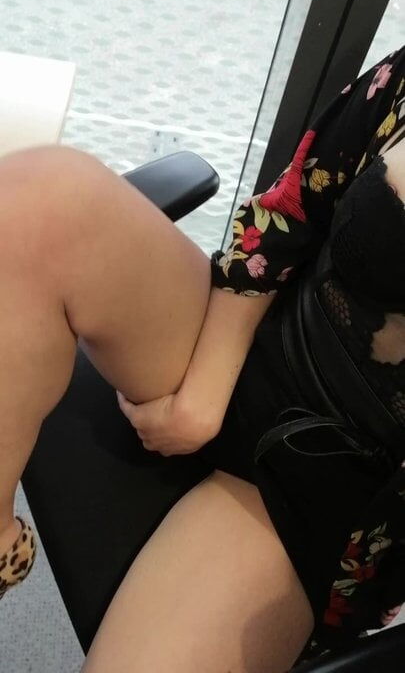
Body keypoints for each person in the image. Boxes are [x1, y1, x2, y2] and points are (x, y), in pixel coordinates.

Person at [0, 46, 404, 673]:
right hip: (263, 335)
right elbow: (292, 206)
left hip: (335, 480)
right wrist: (206, 394)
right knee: (36, 203)